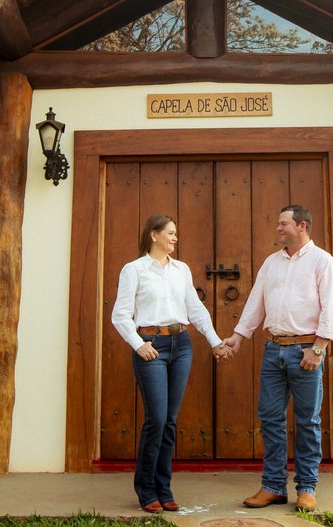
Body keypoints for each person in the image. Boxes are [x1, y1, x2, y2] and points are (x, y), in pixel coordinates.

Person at [221, 204, 333, 513]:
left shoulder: (323, 262)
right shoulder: (271, 263)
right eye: (278, 223)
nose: (278, 228)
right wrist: (238, 336)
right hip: (273, 350)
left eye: (283, 223)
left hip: (306, 351)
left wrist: (318, 348)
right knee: (270, 419)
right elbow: (256, 302)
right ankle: (274, 487)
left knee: (308, 421)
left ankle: (307, 488)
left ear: (302, 226)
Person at [111, 214, 233, 513]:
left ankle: (164, 489)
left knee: (169, 421)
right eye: (170, 233)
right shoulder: (134, 270)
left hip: (181, 346)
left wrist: (215, 341)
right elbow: (120, 314)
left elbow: (195, 309)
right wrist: (139, 344)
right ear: (154, 235)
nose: (175, 238)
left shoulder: (182, 270)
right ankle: (146, 489)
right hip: (151, 346)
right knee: (156, 419)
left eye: (176, 234)